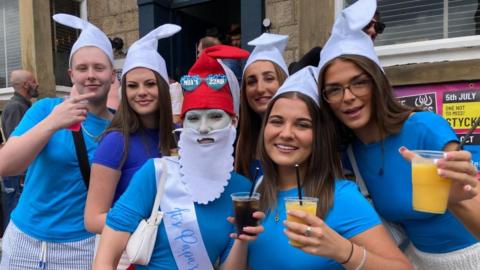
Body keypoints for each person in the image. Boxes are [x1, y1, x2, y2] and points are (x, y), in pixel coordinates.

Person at [317, 0, 480, 268]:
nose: (348, 97)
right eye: (334, 89)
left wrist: (456, 202)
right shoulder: (351, 153)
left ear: (377, 83)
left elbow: (471, 203)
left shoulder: (424, 127)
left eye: (359, 82)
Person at [93, 45, 258, 270]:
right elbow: (104, 260)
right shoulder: (156, 173)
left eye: (215, 116)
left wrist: (242, 238)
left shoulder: (242, 190)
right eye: (194, 118)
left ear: (234, 121)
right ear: (182, 122)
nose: (203, 128)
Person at [243, 66, 411, 269]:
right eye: (276, 121)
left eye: (302, 125)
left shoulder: (340, 196)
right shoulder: (258, 189)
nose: (286, 133)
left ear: (319, 137)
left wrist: (343, 251)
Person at [0, 14, 115, 269]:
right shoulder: (45, 109)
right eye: (83, 69)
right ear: (71, 74)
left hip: (82, 249)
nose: (91, 75)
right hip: (23, 242)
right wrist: (53, 122)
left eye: (99, 67)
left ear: (112, 74)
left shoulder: (120, 127)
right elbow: (5, 165)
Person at [84, 24, 180, 269]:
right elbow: (93, 218)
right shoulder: (116, 141)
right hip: (130, 254)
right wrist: (150, 225)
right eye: (132, 86)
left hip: (173, 253)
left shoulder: (176, 137)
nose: (141, 93)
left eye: (149, 84)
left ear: (163, 87)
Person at [235, 33, 289, 180]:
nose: (260, 88)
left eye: (269, 78)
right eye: (251, 81)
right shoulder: (243, 140)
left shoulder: (300, 136)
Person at [0, 69, 39, 234]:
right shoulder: (16, 108)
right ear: (26, 85)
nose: (37, 84)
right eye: (34, 81)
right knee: (14, 219)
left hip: (20, 176)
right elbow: (18, 145)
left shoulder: (23, 106)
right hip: (17, 178)